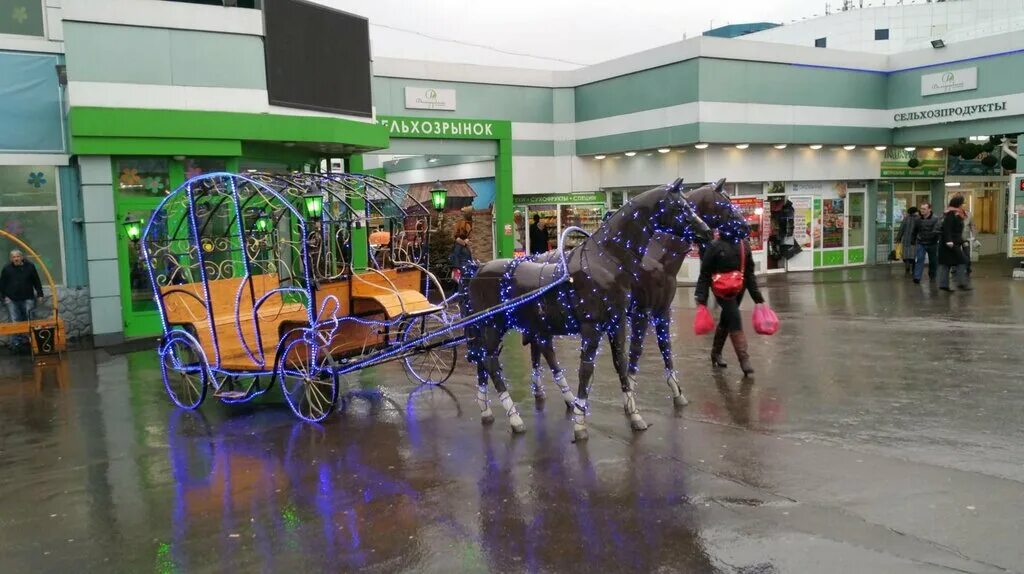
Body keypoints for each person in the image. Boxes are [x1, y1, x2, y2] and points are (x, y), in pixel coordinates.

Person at [695, 226, 764, 376]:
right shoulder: (714, 245)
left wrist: (756, 296)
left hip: (739, 287)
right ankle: (744, 359)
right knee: (734, 316)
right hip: (721, 290)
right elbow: (705, 273)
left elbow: (749, 273)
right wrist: (702, 297)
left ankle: (716, 353)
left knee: (727, 319)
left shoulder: (743, 244)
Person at [1, 249, 45, 352]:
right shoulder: (7, 269)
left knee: (29, 319)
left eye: (17, 256)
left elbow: (36, 281)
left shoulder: (30, 267)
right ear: (11, 259)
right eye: (13, 257)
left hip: (27, 297)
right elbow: (2, 284)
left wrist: (40, 294)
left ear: (22, 257)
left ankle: (28, 340)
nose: (16, 259)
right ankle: (16, 342)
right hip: (12, 299)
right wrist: (4, 297)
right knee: (15, 320)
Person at [937, 195, 972, 292]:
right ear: (959, 204)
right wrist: (949, 241)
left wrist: (963, 241)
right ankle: (961, 283)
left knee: (946, 264)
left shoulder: (956, 213)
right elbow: (947, 228)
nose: (963, 205)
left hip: (952, 243)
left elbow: (956, 231)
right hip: (949, 244)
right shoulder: (951, 214)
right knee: (962, 261)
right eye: (962, 203)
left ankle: (944, 285)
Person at [911, 202, 940, 284]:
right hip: (921, 242)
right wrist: (912, 240)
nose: (922, 210)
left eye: (924, 209)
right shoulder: (918, 219)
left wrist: (936, 238)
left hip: (933, 243)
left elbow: (937, 230)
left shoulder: (935, 219)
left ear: (929, 209)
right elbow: (914, 230)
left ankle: (932, 275)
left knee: (933, 261)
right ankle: (917, 277)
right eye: (921, 208)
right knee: (919, 259)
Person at [449, 207, 474, 278]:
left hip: (466, 269)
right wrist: (457, 268)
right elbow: (456, 255)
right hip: (462, 270)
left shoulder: (464, 245)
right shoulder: (459, 244)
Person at [895, 206, 919, 276]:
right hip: (915, 240)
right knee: (914, 255)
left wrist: (898, 238)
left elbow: (901, 229)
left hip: (906, 240)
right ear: (915, 212)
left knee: (906, 255)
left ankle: (907, 267)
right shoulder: (918, 219)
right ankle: (914, 269)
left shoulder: (906, 219)